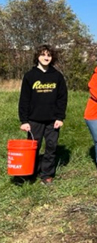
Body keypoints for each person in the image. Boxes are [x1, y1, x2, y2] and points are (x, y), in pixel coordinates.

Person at [18, 44, 68, 185]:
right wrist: (24, 120)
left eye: (49, 55)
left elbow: (62, 98)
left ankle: (47, 175)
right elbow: (24, 99)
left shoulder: (57, 76)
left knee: (51, 147)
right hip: (34, 120)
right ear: (37, 57)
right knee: (34, 147)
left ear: (52, 58)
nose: (46, 57)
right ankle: (30, 172)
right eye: (43, 54)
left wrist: (60, 117)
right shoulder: (30, 76)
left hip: (53, 121)